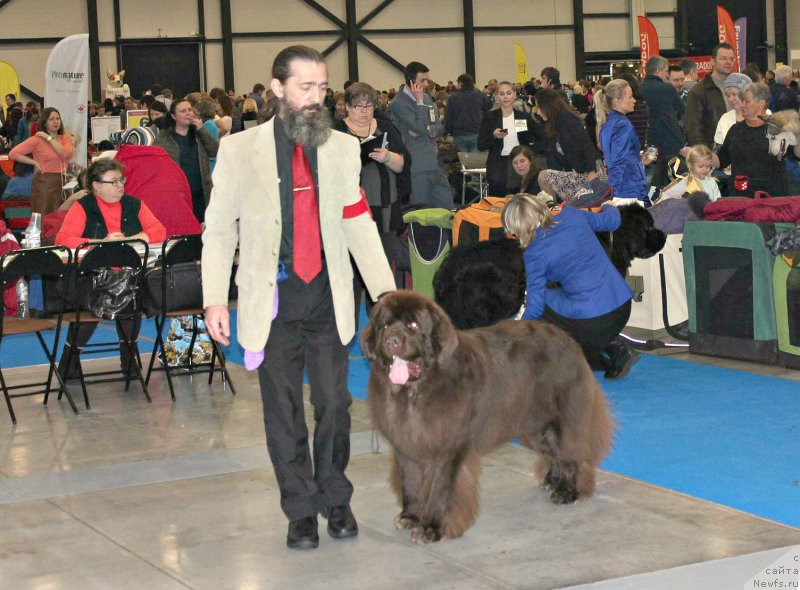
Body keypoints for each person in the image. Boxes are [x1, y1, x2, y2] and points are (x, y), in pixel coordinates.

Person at [201, 45, 396, 550]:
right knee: (283, 412)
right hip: (273, 302)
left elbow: (358, 223)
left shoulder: (343, 149)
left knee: (334, 404)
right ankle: (300, 509)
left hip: (329, 299)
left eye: (322, 88)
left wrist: (386, 295)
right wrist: (214, 298)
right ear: (278, 89)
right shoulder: (239, 150)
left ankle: (336, 497)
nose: (317, 98)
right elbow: (219, 229)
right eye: (306, 87)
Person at [501, 193, 638, 380]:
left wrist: (506, 331)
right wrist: (608, 205)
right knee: (561, 298)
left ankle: (556, 360)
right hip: (622, 308)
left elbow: (534, 308)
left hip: (592, 321)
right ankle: (610, 350)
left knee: (541, 305)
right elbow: (613, 221)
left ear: (517, 230)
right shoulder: (572, 215)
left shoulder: (534, 254)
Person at [55, 158, 166, 380]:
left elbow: (159, 230)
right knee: (97, 302)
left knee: (131, 293)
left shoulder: (135, 204)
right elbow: (64, 239)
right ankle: (70, 360)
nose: (120, 186)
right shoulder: (82, 207)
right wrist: (101, 242)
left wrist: (132, 238)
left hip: (129, 276)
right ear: (96, 186)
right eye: (113, 182)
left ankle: (128, 356)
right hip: (91, 278)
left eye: (121, 180)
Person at [334, 81, 409, 277]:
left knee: (382, 267)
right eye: (358, 106)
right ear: (347, 108)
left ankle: (379, 307)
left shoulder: (385, 127)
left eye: (368, 106)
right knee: (353, 272)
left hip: (386, 208)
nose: (364, 111)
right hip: (351, 209)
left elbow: (402, 164)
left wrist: (388, 157)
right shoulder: (336, 132)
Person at [388, 61, 453, 208]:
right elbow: (419, 127)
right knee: (422, 211)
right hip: (417, 165)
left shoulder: (428, 98)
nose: (426, 84)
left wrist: (429, 130)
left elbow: (439, 128)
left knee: (447, 208)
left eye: (427, 79)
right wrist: (420, 103)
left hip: (435, 162)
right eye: (422, 80)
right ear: (411, 82)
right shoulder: (398, 104)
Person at [712, 82, 788, 197]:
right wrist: (701, 154)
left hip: (770, 198)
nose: (742, 105)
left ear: (761, 102)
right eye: (741, 101)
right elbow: (721, 160)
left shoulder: (779, 130)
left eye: (746, 101)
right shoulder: (735, 130)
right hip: (739, 197)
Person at [153, 98, 218, 223]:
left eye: (190, 110)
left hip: (201, 191)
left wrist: (202, 130)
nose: (188, 113)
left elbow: (215, 151)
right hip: (177, 194)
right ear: (173, 116)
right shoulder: (164, 136)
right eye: (183, 111)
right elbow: (154, 162)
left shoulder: (199, 133)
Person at [535, 88, 598, 203]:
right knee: (544, 177)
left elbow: (586, 145)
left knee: (543, 177)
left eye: (539, 108)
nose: (537, 112)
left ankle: (553, 211)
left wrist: (591, 172)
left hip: (588, 173)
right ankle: (553, 210)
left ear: (547, 107)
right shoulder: (553, 124)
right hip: (578, 173)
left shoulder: (567, 119)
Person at [9, 107, 74, 215]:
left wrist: (49, 139)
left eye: (58, 118)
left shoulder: (65, 138)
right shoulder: (37, 140)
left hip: (63, 182)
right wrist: (33, 162)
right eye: (51, 119)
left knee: (61, 216)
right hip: (44, 183)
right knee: (43, 215)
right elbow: (13, 154)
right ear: (44, 122)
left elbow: (66, 154)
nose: (56, 121)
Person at [477, 81, 537, 196]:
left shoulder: (523, 117)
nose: (505, 97)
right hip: (498, 164)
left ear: (514, 95)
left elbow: (540, 136)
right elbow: (481, 145)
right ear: (497, 96)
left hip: (519, 163)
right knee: (498, 199)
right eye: (502, 94)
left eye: (509, 93)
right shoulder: (489, 117)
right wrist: (493, 136)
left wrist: (531, 152)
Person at [596, 79, 649, 203]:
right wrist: (615, 190)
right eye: (630, 97)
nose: (634, 100)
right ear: (618, 100)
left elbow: (619, 155)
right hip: (628, 188)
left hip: (621, 186)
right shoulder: (622, 124)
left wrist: (639, 159)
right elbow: (618, 161)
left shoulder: (608, 123)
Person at [640, 56, 685, 188]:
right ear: (659, 71)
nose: (667, 74)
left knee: (652, 173)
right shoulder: (667, 88)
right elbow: (682, 110)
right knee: (672, 180)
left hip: (651, 143)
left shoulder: (639, 89)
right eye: (666, 71)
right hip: (671, 143)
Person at [685, 43, 735, 148]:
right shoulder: (699, 91)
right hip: (714, 151)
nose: (728, 62)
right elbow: (694, 128)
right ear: (712, 61)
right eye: (723, 58)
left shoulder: (740, 89)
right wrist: (703, 154)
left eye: (731, 59)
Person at [445, 73, 490, 153]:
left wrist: (448, 131)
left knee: (462, 161)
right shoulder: (480, 96)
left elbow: (448, 116)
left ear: (461, 83)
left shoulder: (453, 97)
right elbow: (488, 113)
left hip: (459, 134)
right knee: (475, 162)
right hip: (477, 133)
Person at [713, 73, 752, 146]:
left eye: (734, 94)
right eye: (728, 95)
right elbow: (718, 149)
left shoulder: (764, 115)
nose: (731, 99)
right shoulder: (725, 119)